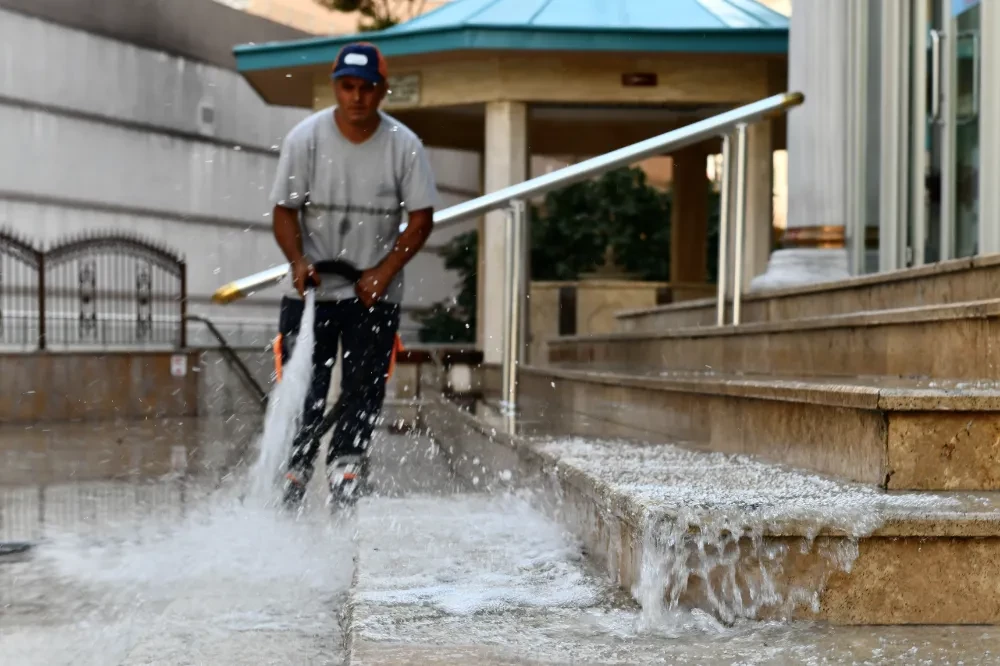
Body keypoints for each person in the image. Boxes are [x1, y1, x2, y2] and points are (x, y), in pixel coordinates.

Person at [268, 42, 438, 507]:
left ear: (382, 90)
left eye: (367, 88)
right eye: (348, 87)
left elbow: (422, 218)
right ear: (335, 88)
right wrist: (298, 261)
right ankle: (295, 466)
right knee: (305, 387)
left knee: (365, 386)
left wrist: (384, 271)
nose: (357, 97)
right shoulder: (306, 139)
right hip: (313, 291)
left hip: (372, 294)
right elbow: (284, 212)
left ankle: (347, 463)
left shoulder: (403, 146)